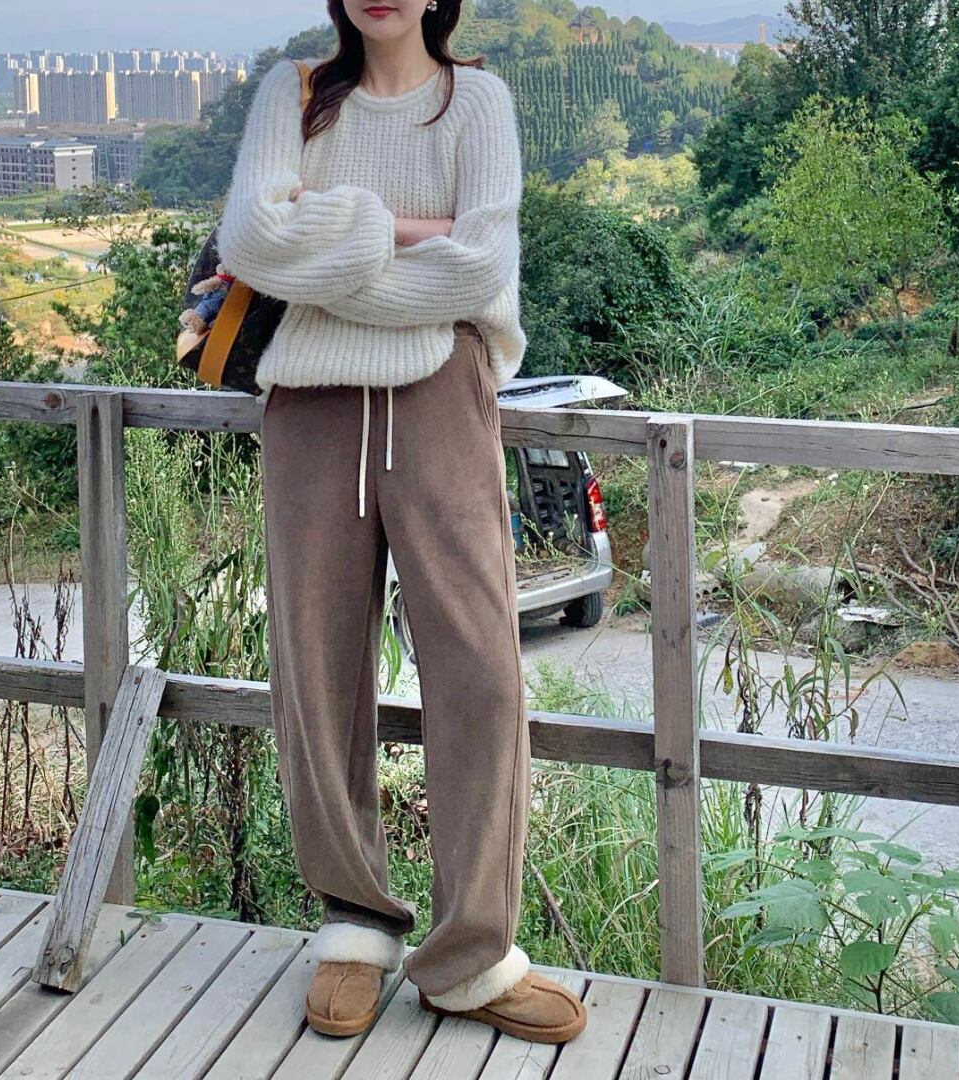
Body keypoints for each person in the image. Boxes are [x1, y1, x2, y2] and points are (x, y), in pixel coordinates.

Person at [217, 0, 587, 1045]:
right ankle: (354, 925)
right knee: (317, 665)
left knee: (480, 666)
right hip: (311, 411)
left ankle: (473, 956)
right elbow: (252, 239)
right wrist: (409, 231)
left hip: (440, 400)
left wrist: (329, 248)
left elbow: (481, 270)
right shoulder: (294, 96)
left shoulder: (478, 102)